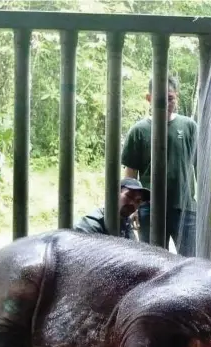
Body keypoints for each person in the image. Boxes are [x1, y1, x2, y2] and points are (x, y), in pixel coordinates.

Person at [121, 76, 198, 257]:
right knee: (154, 263)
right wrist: (132, 207)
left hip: (185, 208)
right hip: (150, 209)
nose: (166, 104)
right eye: (159, 100)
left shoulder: (189, 127)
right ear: (149, 99)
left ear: (176, 97)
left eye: (170, 99)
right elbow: (130, 174)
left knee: (190, 264)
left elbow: (201, 168)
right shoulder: (139, 130)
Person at [73, 178, 150, 239]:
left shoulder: (125, 222)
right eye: (129, 196)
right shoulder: (91, 225)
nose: (133, 203)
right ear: (115, 194)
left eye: (138, 201)